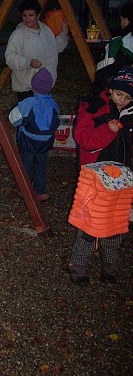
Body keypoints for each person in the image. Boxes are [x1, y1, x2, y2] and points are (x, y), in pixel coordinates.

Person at [67, 66, 133, 285]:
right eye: (119, 94)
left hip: (122, 178)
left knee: (116, 221)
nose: (122, 100)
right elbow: (84, 138)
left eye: (128, 97)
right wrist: (108, 129)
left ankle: (110, 265)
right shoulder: (96, 107)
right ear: (111, 89)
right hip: (96, 177)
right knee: (90, 221)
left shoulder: (129, 112)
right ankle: (78, 263)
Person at [8, 68, 60, 201]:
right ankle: (40, 191)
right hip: (46, 142)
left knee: (26, 164)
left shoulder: (28, 102)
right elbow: (57, 121)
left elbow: (13, 118)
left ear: (33, 86)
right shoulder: (53, 104)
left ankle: (24, 190)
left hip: (28, 141)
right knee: (41, 164)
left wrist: (21, 123)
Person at [5, 0, 69, 101]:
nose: (27, 19)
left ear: (38, 16)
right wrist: (28, 62)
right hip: (27, 89)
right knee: (30, 117)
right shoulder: (18, 34)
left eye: (31, 15)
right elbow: (10, 58)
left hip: (45, 86)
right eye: (24, 16)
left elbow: (54, 49)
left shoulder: (46, 30)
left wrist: (63, 35)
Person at [93, 1, 133, 93]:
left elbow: (103, 69)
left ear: (127, 19)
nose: (120, 23)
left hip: (120, 90)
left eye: (121, 19)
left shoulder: (118, 43)